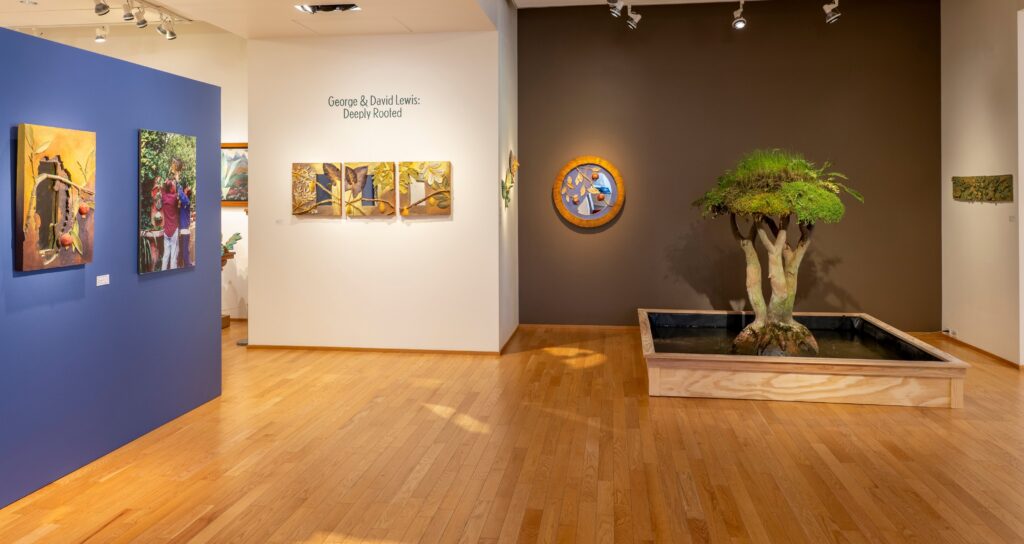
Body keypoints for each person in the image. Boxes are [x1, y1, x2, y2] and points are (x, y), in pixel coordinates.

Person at [160, 159, 184, 270]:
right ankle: (172, 275)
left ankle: (163, 272)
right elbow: (179, 191)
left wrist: (168, 180)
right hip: (174, 230)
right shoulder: (174, 198)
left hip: (166, 231)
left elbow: (163, 187)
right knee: (173, 256)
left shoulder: (164, 197)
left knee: (166, 255)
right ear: (172, 188)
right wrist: (176, 177)